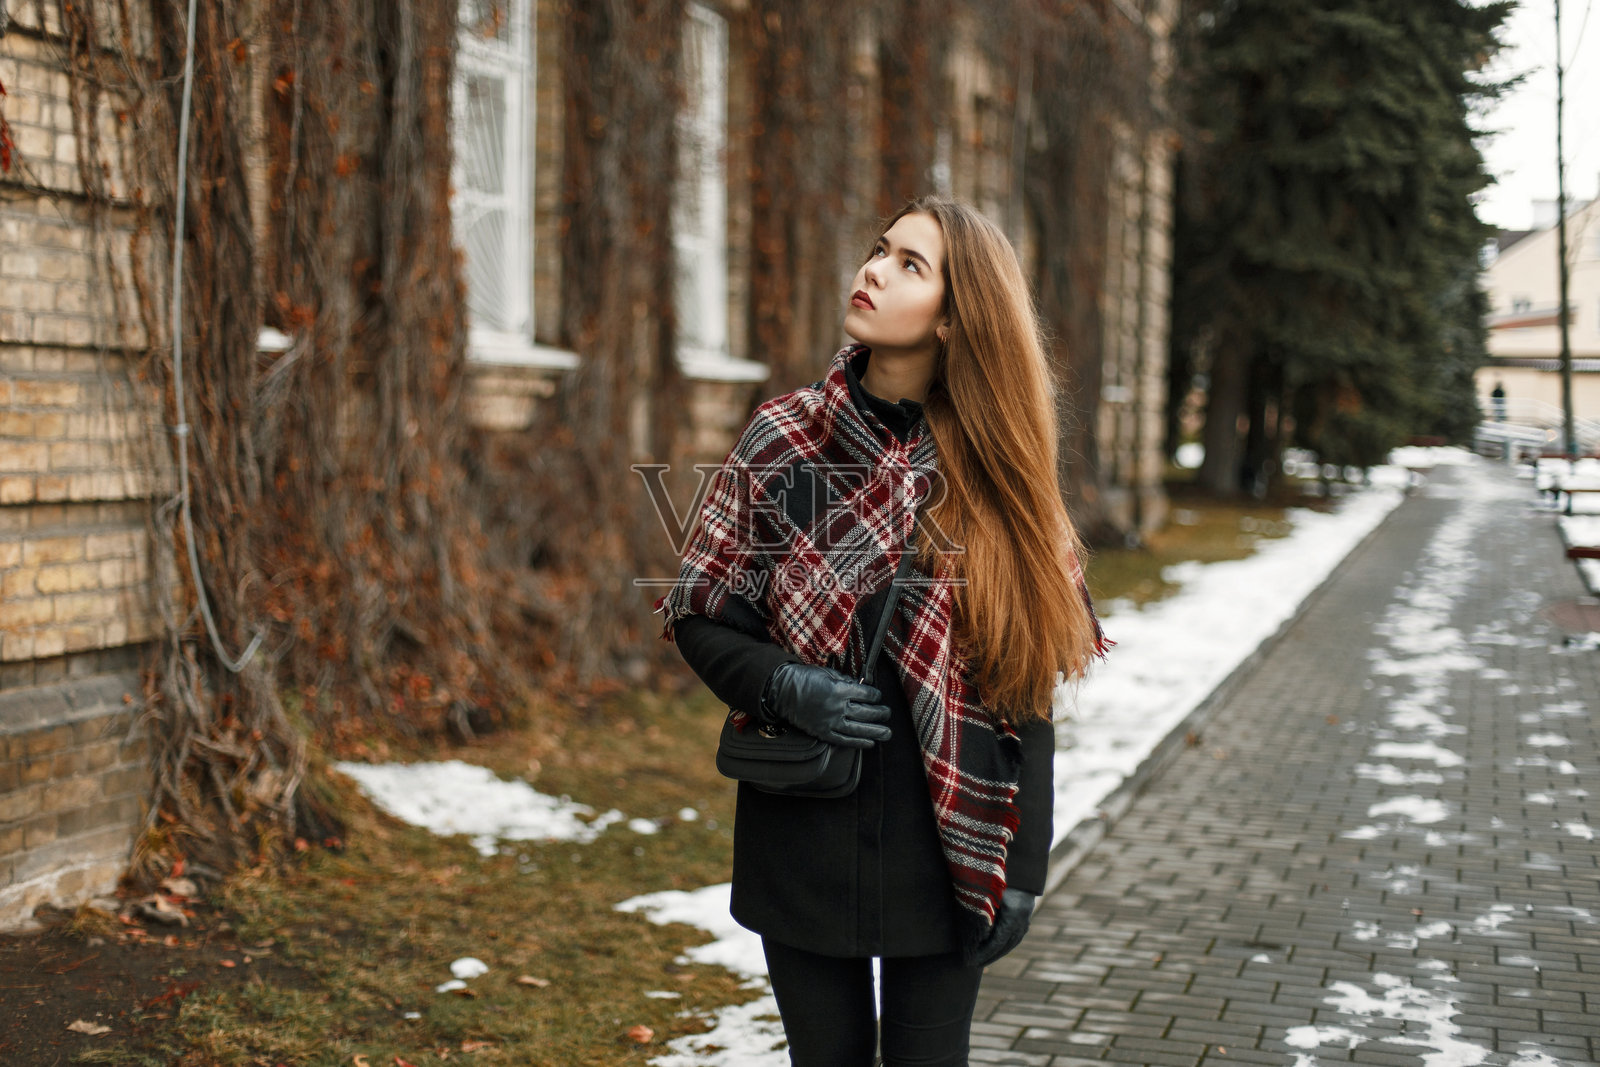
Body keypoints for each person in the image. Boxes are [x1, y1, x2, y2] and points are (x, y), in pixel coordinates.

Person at [653, 195, 1109, 1067]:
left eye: (911, 265)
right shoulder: (783, 438)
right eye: (879, 250)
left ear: (953, 318)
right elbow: (704, 611)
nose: (872, 270)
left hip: (946, 845)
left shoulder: (999, 469)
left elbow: (1026, 687)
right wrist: (787, 684)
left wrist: (1024, 869)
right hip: (804, 827)